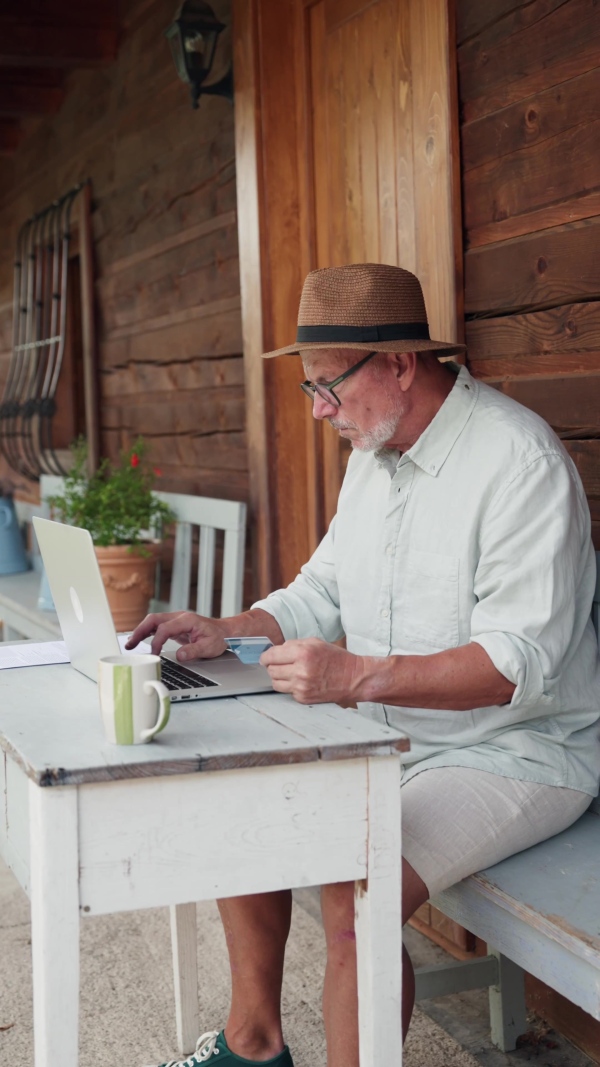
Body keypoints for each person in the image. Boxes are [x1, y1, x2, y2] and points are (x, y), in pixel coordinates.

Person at [132, 264, 600, 1067]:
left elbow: (511, 667)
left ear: (398, 363)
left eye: (328, 385)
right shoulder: (373, 453)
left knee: (359, 887)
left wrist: (355, 679)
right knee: (245, 802)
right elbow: (323, 588)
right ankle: (253, 1046)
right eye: (310, 388)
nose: (319, 410)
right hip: (391, 736)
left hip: (517, 749)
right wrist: (228, 628)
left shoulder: (518, 461)